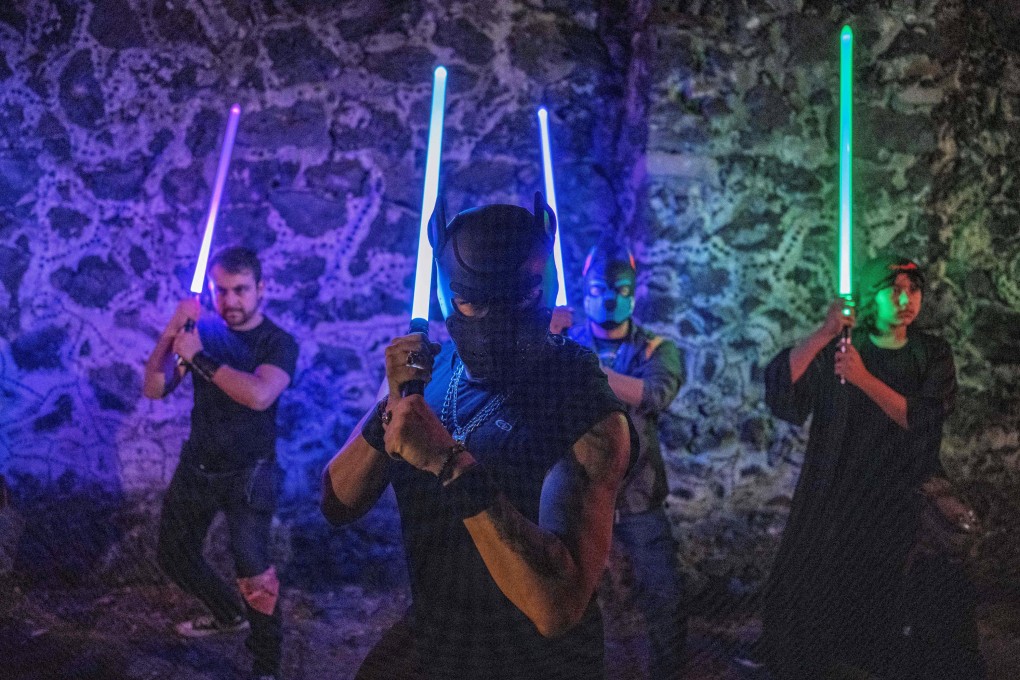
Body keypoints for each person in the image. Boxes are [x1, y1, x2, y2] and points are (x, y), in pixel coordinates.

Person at [321, 196, 635, 680]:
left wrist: (448, 462)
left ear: (544, 290)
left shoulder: (584, 409)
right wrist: (391, 407)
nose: (495, 322)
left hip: (534, 665)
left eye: (518, 300)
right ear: (449, 295)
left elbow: (556, 607)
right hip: (440, 637)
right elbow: (337, 503)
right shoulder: (429, 372)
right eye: (473, 302)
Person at [752, 255, 982, 679]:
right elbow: (784, 393)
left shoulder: (931, 353)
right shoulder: (843, 346)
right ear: (871, 297)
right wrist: (824, 332)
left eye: (913, 289)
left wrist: (863, 379)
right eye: (893, 290)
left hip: (902, 492)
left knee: (900, 597)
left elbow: (922, 417)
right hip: (840, 491)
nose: (906, 300)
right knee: (824, 587)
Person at [143, 246, 298, 680]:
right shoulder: (202, 333)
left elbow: (259, 394)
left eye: (241, 289)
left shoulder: (278, 342)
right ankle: (227, 614)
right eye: (221, 290)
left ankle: (266, 665)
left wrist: (198, 356)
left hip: (250, 472)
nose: (230, 300)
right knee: (174, 555)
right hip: (198, 466)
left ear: (261, 288)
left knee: (255, 573)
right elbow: (154, 388)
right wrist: (171, 332)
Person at [553, 239, 687, 679]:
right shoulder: (565, 343)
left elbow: (654, 394)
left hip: (638, 494)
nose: (610, 299)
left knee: (663, 595)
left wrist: (580, 364)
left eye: (621, 290)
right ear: (585, 290)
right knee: (566, 595)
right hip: (579, 491)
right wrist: (547, 339)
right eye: (599, 289)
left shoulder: (655, 348)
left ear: (634, 292)